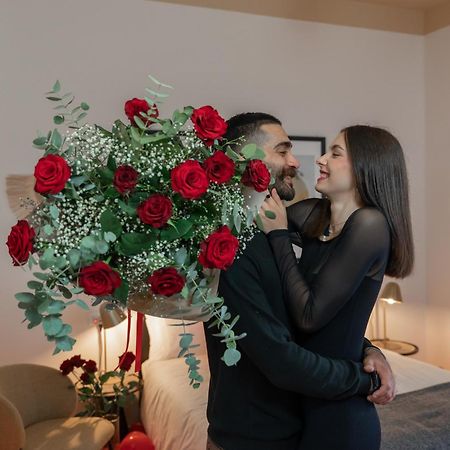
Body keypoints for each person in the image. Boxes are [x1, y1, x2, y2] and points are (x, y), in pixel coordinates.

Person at [204, 114, 395, 450]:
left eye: (334, 153)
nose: (299, 162)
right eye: (283, 151)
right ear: (246, 162)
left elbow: (306, 312)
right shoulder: (229, 249)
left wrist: (368, 348)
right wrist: (364, 379)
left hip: (305, 424)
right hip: (251, 438)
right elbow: (284, 357)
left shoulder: (296, 231)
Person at [258, 125, 414, 449]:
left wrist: (278, 236)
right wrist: (369, 348)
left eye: (336, 153)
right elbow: (259, 216)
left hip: (341, 418)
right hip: (302, 406)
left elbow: (310, 316)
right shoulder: (317, 215)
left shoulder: (371, 226)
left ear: (364, 167)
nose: (321, 159)